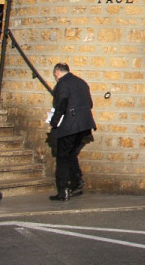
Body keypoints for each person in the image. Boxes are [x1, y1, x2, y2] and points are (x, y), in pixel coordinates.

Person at [47, 63, 96, 201]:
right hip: (85, 125)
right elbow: (90, 104)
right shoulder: (81, 82)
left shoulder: (63, 84)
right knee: (71, 154)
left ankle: (63, 190)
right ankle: (76, 181)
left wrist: (54, 122)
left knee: (62, 156)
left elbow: (61, 104)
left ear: (57, 72)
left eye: (55, 75)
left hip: (70, 126)